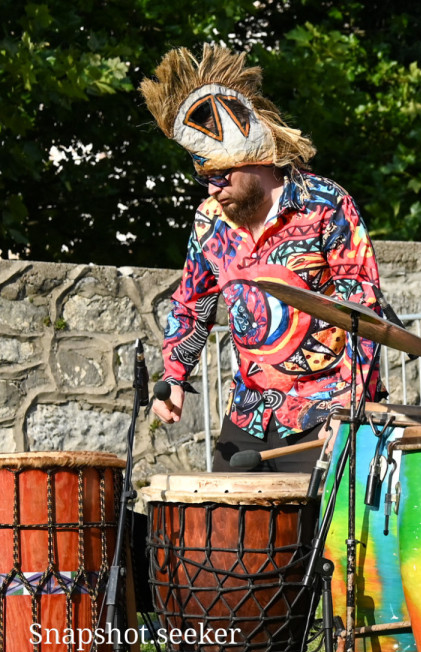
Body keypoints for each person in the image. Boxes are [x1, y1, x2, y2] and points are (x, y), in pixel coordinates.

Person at [140, 45, 384, 471]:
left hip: (326, 410)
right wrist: (175, 377)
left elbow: (364, 311)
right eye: (204, 179)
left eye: (220, 176)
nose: (212, 189)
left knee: (315, 538)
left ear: (254, 162)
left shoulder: (325, 204)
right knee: (222, 530)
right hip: (250, 411)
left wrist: (351, 413)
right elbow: (192, 305)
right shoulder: (209, 220)